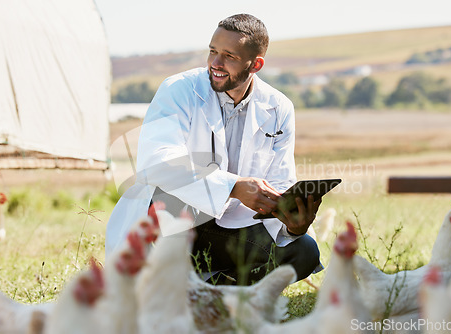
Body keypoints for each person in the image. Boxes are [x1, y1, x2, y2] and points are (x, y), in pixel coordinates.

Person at [105, 13, 323, 285]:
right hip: (175, 226)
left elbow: (280, 182)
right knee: (170, 198)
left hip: (234, 229)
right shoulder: (179, 90)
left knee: (304, 251)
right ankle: (174, 289)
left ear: (255, 64)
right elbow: (158, 162)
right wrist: (233, 186)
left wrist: (292, 226)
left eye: (229, 56)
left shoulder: (279, 108)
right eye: (212, 52)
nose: (216, 64)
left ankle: (218, 294)